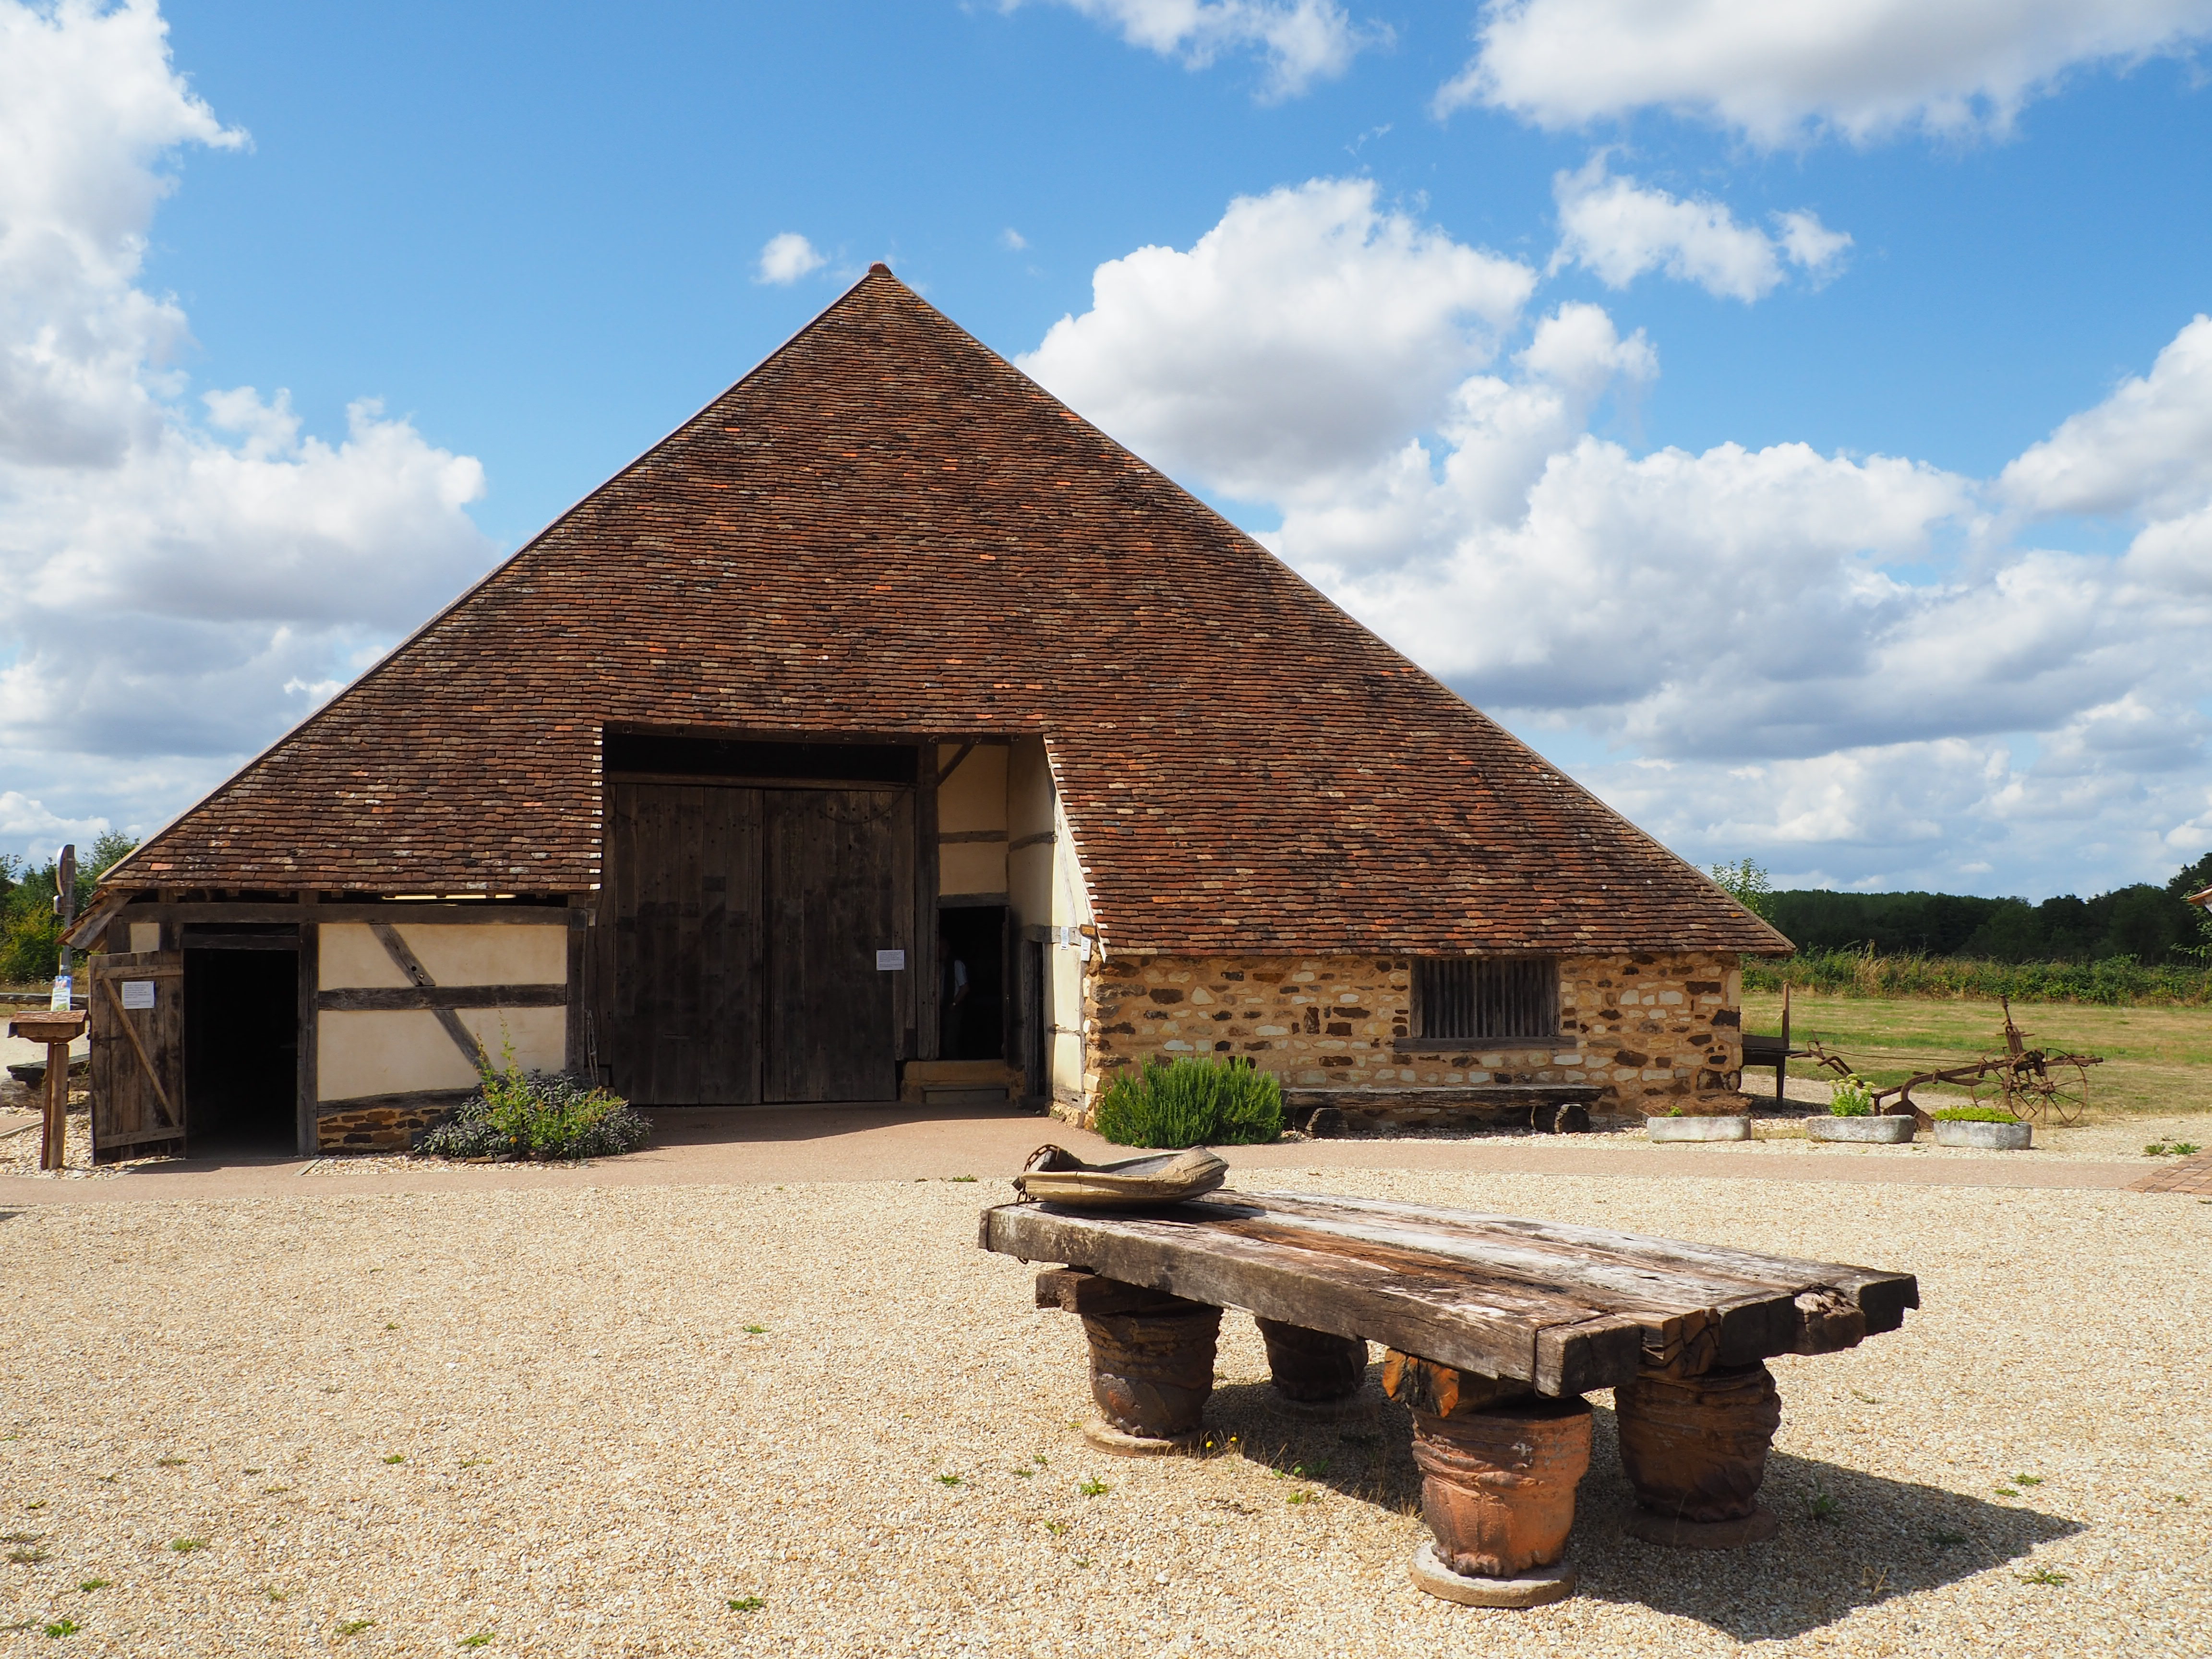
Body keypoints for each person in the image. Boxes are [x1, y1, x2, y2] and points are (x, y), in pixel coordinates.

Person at [939, 936, 970, 1058]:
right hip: (942, 1008)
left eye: (941, 948)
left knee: (950, 1040)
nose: (939, 952)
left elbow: (965, 988)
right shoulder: (941, 966)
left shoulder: (957, 965)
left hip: (953, 1009)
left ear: (947, 948)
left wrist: (954, 1004)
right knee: (942, 1039)